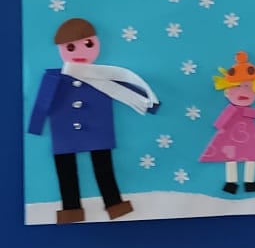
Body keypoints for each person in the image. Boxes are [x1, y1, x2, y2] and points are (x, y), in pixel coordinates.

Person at [27, 16, 158, 222]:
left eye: (88, 44)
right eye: (71, 47)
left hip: (98, 128)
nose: (79, 52)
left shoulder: (102, 75)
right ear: (61, 48)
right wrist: (36, 125)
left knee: (103, 166)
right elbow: (43, 102)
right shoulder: (54, 77)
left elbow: (125, 86)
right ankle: (71, 210)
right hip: (64, 130)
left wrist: (150, 104)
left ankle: (114, 204)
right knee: (66, 170)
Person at [199, 51, 255, 194]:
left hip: (249, 137)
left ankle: (249, 182)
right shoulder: (232, 110)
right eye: (237, 86)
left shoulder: (243, 111)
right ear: (227, 90)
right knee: (231, 159)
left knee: (251, 157)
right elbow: (219, 123)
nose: (243, 91)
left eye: (247, 86)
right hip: (230, 137)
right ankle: (231, 183)